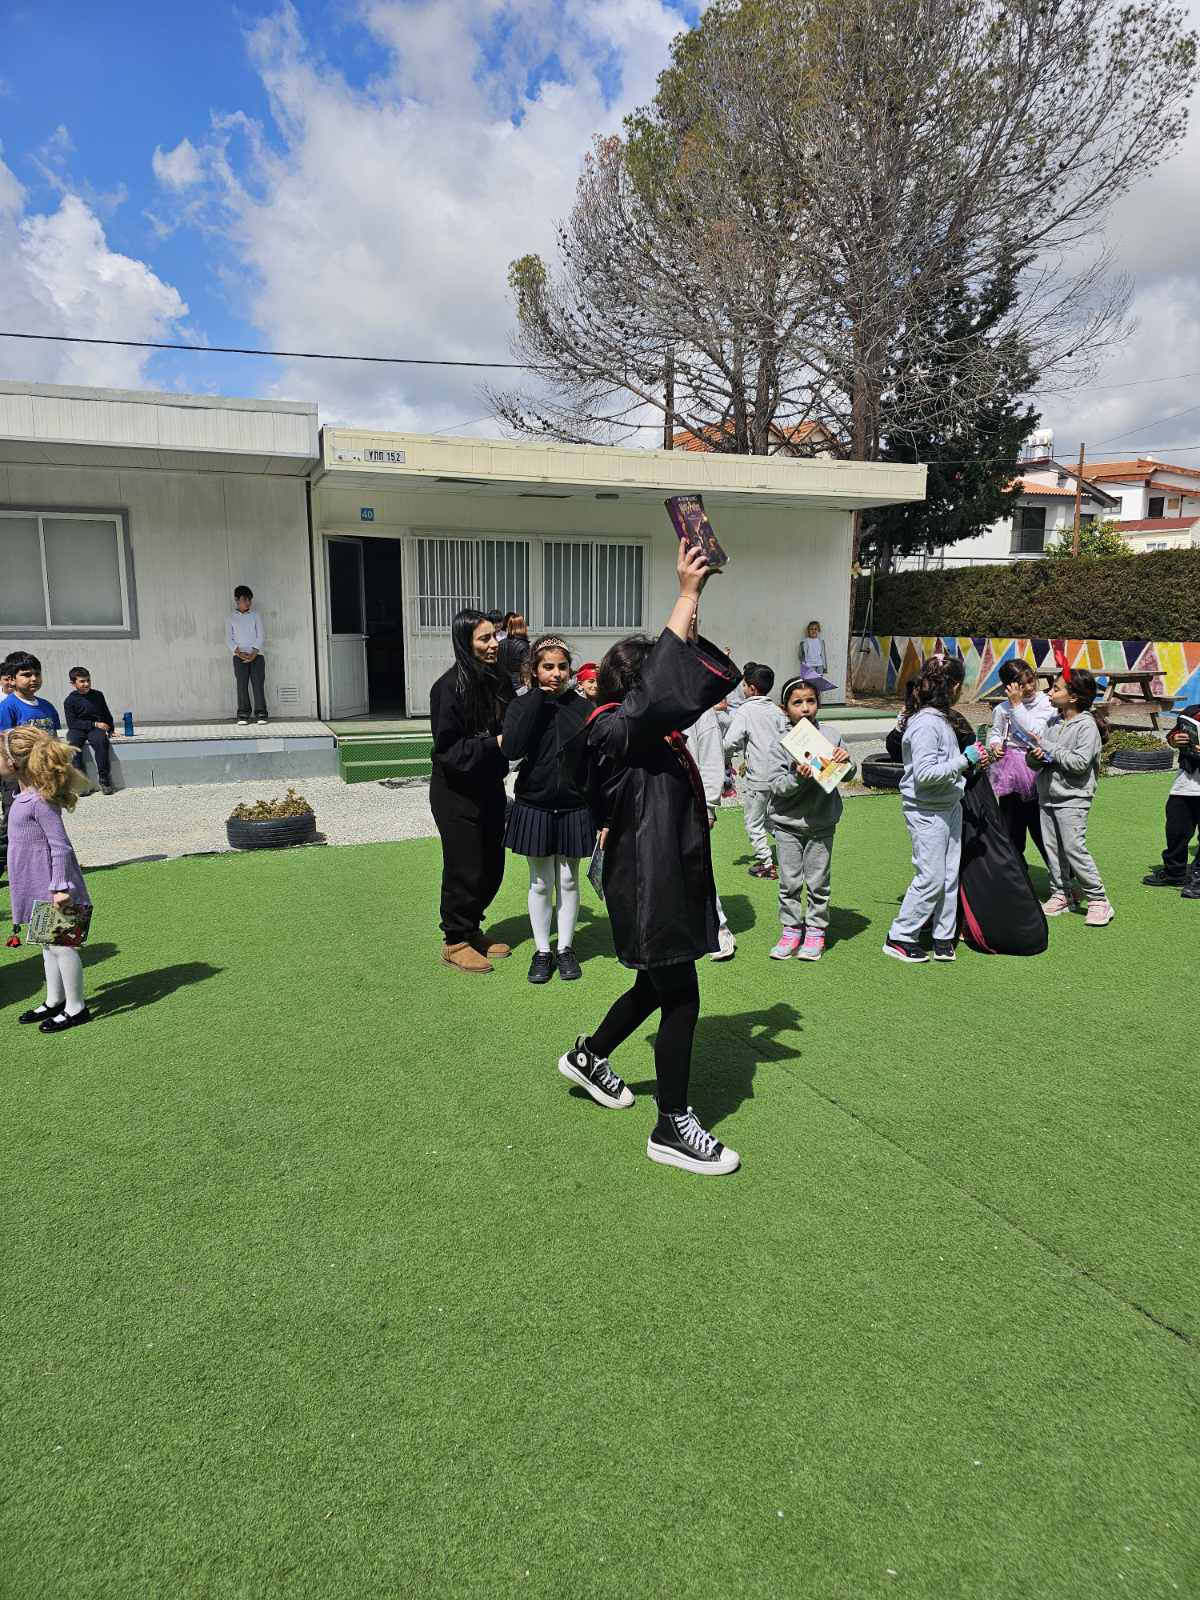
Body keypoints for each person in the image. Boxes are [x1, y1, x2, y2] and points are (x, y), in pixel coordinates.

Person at [556, 540, 742, 1176]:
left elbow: (671, 683)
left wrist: (694, 610)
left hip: (658, 879)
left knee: (652, 984)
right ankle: (672, 1126)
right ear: (640, 690)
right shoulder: (613, 729)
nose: (681, 682)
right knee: (681, 997)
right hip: (646, 885)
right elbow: (661, 687)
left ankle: (589, 1057)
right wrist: (685, 594)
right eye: (666, 671)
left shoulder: (644, 733)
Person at [501, 635, 595, 984]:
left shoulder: (583, 707)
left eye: (562, 667)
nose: (556, 673)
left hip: (574, 805)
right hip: (535, 803)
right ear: (534, 670)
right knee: (540, 882)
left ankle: (565, 948)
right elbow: (512, 748)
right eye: (548, 667)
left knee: (568, 880)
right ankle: (543, 951)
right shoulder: (521, 705)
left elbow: (595, 760)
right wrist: (536, 697)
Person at [884, 658, 990, 963]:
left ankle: (943, 934)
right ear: (954, 687)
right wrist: (966, 760)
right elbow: (925, 774)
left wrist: (970, 760)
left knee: (948, 875)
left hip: (948, 804)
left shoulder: (942, 719)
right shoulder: (926, 724)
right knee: (930, 877)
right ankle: (900, 936)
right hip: (926, 811)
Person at [429, 608, 513, 974]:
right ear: (465, 642)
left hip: (490, 786)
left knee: (492, 864)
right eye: (485, 638)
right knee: (464, 865)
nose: (494, 644)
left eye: (495, 636)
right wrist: (495, 743)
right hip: (456, 793)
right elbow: (449, 751)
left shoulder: (497, 681)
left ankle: (472, 927)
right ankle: (455, 940)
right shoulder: (447, 688)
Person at [1, 726, 92, 1032]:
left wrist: (61, 887)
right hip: (39, 885)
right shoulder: (22, 797)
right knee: (47, 946)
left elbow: (60, 846)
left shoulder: (40, 801)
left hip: (56, 888)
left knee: (63, 947)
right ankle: (55, 999)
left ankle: (76, 1007)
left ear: (13, 762)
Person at [767, 670, 852, 962]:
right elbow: (777, 786)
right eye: (797, 702)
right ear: (785, 708)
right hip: (787, 825)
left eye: (811, 701)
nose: (805, 708)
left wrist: (846, 762)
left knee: (818, 881)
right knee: (789, 881)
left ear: (818, 704)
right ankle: (791, 929)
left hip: (821, 822)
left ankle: (816, 930)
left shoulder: (830, 735)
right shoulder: (780, 742)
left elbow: (845, 775)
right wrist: (798, 778)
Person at [1026, 669, 1113, 926]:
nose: (1049, 693)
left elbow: (1079, 763)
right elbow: (1037, 761)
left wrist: (1047, 747)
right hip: (1047, 795)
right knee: (1053, 850)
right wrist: (1035, 756)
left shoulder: (1086, 726)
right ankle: (1061, 893)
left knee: (1074, 848)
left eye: (1056, 688)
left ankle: (1099, 900)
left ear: (1073, 697)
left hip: (1073, 797)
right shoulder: (1053, 722)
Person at [684, 703, 738, 961]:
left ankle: (719, 928)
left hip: (690, 803)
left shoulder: (698, 708)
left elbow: (711, 757)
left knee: (697, 866)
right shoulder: (642, 698)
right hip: (651, 802)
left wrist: (709, 806)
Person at [723, 663, 786, 878]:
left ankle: (767, 864)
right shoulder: (777, 711)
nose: (742, 688)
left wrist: (726, 758)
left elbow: (730, 742)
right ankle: (793, 849)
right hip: (779, 775)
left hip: (759, 776)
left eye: (743, 685)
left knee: (753, 823)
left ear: (751, 688)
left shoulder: (746, 710)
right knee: (770, 818)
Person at [987, 661, 1052, 863]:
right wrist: (995, 744)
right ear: (1009, 687)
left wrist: (1017, 705)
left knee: (1042, 827)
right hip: (1010, 773)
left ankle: (1062, 875)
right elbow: (995, 732)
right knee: (1011, 826)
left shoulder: (1046, 703)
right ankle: (1016, 871)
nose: (1029, 687)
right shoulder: (1001, 709)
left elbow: (1034, 732)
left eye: (1031, 680)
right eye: (1022, 685)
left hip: (1037, 767)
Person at [1143, 704, 1200, 896]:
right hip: (1186, 784)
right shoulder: (1193, 711)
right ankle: (1174, 872)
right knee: (1176, 830)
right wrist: (1175, 739)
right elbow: (1172, 736)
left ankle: (1198, 879)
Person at [64, 667, 116, 796]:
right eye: (82, 681)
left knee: (101, 742)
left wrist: (111, 728)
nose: (86, 684)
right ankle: (82, 783)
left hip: (95, 729)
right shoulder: (69, 701)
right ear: (73, 683)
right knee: (73, 744)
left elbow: (106, 713)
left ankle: (104, 780)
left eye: (88, 680)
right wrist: (94, 723)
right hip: (78, 728)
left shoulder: (98, 695)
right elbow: (72, 723)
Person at [227, 586, 268, 725]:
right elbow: (228, 639)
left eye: (249, 600)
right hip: (239, 657)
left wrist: (254, 653)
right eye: (245, 599)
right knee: (241, 686)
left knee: (258, 685)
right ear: (237, 600)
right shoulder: (230, 618)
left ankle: (261, 714)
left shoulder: (256, 616)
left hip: (257, 656)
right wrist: (239, 653)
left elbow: (261, 635)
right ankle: (243, 714)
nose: (248, 603)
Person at [0, 653, 60, 736]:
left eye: (37, 674)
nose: (34, 679)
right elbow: (3, 740)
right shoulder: (6, 707)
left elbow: (56, 736)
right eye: (27, 675)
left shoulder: (47, 706)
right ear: (12, 679)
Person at [0, 660, 15, 883]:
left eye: (13, 679)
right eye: (7, 679)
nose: (11, 683)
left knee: (11, 812)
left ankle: (6, 863)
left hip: (11, 767)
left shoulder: (20, 703)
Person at [497, 614, 531, 689]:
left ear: (509, 626)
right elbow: (526, 669)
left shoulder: (500, 643)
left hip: (501, 684)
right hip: (518, 685)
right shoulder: (524, 645)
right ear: (523, 626)